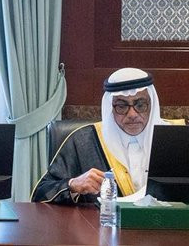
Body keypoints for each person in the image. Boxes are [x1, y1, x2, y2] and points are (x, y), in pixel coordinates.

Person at [32, 68, 174, 204]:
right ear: (110, 108)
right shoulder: (83, 141)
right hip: (100, 220)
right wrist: (73, 185)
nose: (132, 114)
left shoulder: (175, 139)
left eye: (140, 105)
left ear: (152, 105)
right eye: (121, 106)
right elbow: (40, 194)